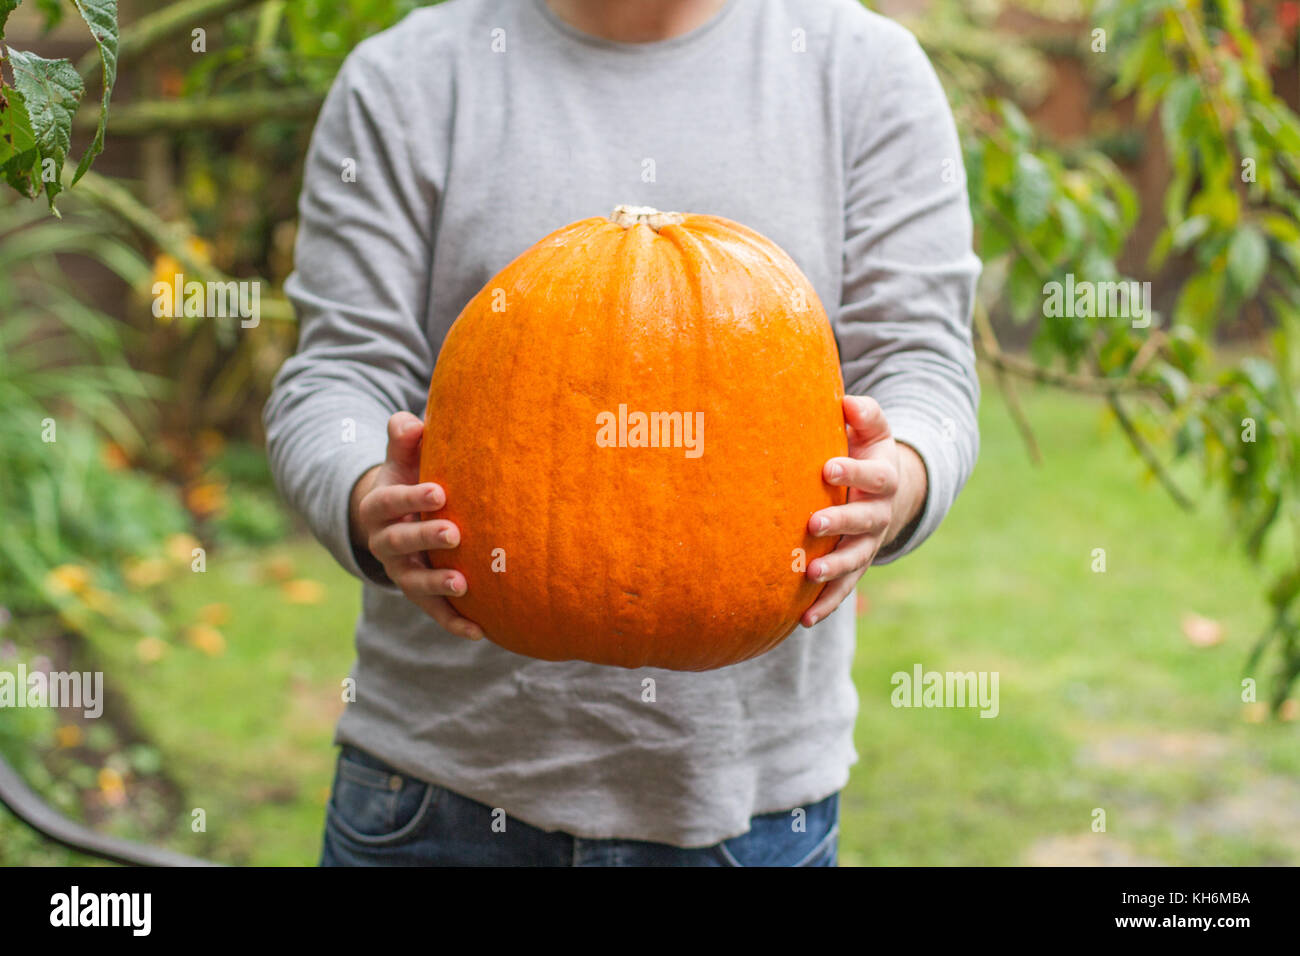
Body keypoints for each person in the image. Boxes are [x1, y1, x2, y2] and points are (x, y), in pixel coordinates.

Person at [264, 0, 980, 867]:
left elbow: (926, 369)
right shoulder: (406, 77)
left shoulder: (867, 71)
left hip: (749, 807)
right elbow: (335, 372)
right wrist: (365, 498)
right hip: (436, 791)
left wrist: (897, 477)